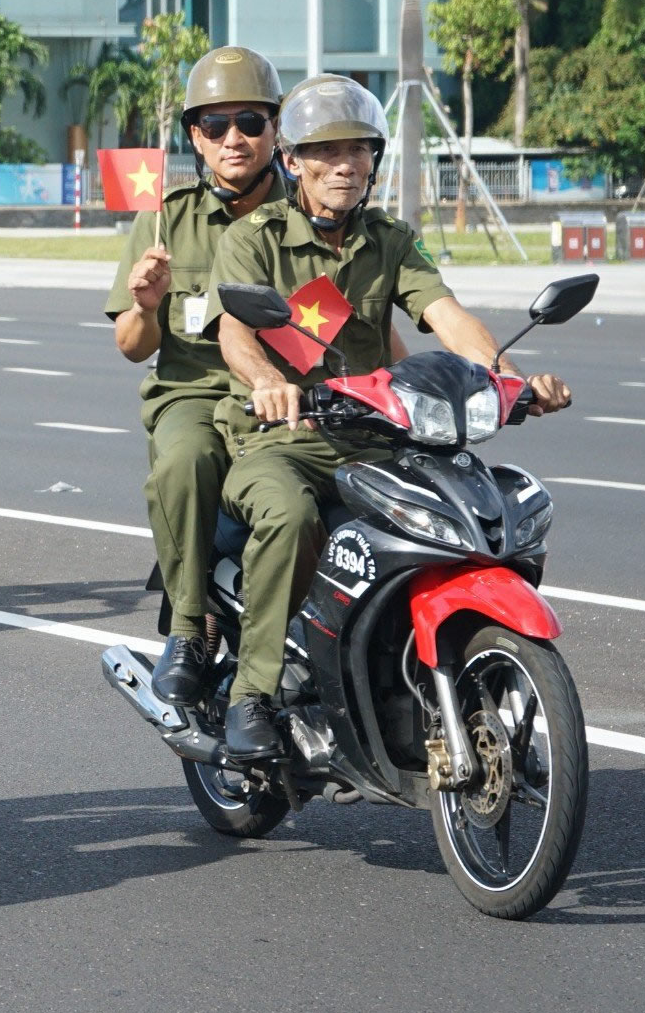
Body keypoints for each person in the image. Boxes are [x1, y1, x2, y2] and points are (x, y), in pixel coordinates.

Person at [208, 75, 575, 757]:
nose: (346, 165)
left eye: (359, 151)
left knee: (465, 509)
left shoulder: (390, 240)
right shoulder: (255, 238)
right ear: (292, 162)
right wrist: (267, 382)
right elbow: (235, 331)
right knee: (289, 514)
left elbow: (446, 316)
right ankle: (251, 695)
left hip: (377, 436)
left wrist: (510, 380)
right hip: (283, 438)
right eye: (327, 152)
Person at [106, 47, 292, 704]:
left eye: (250, 121)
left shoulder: (311, 218)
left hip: (288, 395)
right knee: (184, 460)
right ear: (195, 137)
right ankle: (189, 626)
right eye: (216, 126)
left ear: (276, 129)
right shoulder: (168, 217)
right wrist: (145, 305)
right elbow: (133, 346)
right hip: (194, 392)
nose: (234, 138)